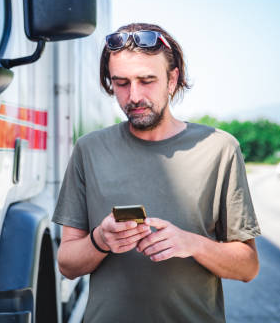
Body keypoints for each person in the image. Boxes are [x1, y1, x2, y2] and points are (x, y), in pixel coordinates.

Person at [52, 22, 261, 322]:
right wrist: (101, 240)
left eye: (146, 80)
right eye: (121, 83)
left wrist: (192, 243)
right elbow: (67, 265)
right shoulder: (89, 149)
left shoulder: (220, 148)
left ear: (172, 79)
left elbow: (248, 267)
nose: (133, 96)